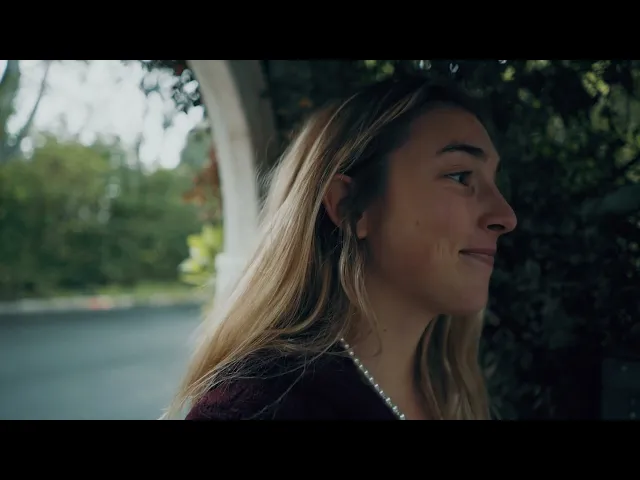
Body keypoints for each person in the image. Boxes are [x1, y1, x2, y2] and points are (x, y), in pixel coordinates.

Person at [164, 73, 517, 420]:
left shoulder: (450, 394)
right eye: (460, 176)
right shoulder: (256, 410)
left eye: (494, 181)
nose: (505, 216)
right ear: (350, 207)